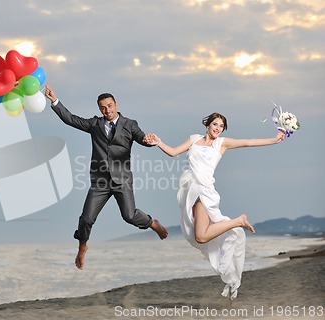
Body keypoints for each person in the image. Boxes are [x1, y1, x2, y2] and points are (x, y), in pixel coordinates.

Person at [144, 112, 286, 299]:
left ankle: (238, 221)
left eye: (221, 126)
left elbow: (248, 142)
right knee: (197, 236)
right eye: (215, 124)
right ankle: (237, 222)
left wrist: (274, 140)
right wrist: (157, 141)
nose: (218, 128)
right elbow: (172, 152)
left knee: (201, 237)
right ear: (207, 125)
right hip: (189, 191)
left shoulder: (222, 143)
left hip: (204, 191)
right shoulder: (194, 139)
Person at [44, 85, 168, 270]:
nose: (107, 110)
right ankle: (82, 246)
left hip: (122, 180)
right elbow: (71, 119)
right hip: (100, 181)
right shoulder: (95, 125)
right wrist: (55, 100)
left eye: (110, 106)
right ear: (99, 109)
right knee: (86, 219)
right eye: (103, 107)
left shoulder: (130, 124)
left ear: (116, 105)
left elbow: (142, 138)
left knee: (129, 215)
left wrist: (149, 141)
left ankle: (152, 223)